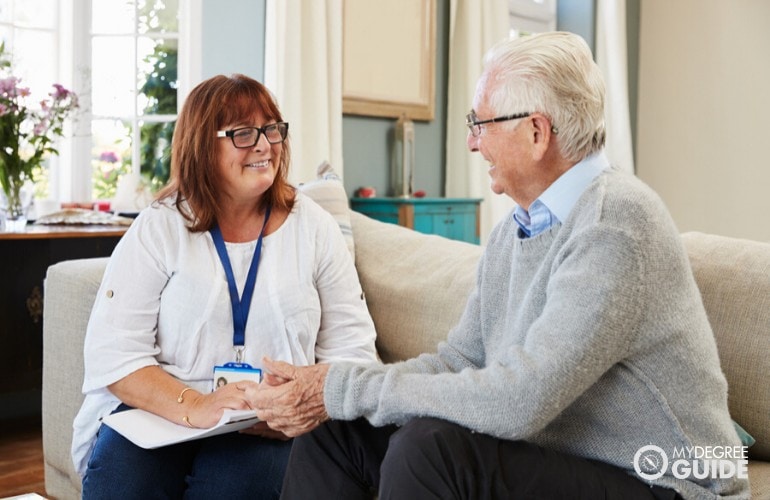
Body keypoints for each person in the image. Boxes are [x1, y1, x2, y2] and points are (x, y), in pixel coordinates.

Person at [247, 32, 750, 499]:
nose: (471, 142)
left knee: (429, 450)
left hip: (670, 481)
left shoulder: (614, 222)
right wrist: (334, 390)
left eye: (480, 124)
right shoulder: (519, 228)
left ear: (536, 132)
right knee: (338, 433)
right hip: (572, 462)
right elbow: (459, 361)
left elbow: (520, 401)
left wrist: (341, 388)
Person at [71, 73, 378, 499]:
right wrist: (197, 406)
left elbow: (353, 352)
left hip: (272, 424)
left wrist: (297, 405)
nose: (265, 145)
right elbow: (115, 353)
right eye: (244, 133)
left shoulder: (314, 227)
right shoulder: (160, 226)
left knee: (235, 486)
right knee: (122, 483)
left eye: (272, 129)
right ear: (201, 145)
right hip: (166, 411)